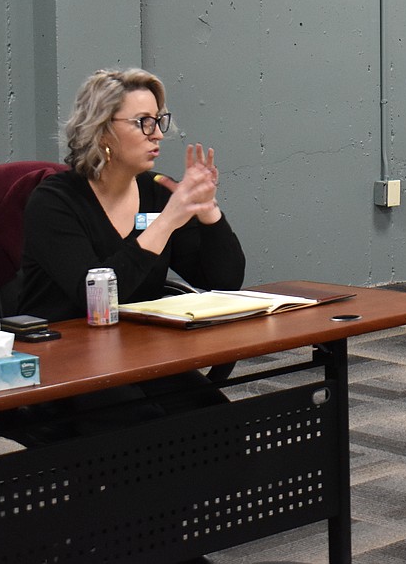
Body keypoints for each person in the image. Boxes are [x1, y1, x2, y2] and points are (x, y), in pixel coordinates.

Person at [18, 67, 246, 437]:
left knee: (218, 425)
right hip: (65, 362)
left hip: (137, 353)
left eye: (158, 121)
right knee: (147, 435)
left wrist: (208, 211)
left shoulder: (156, 193)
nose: (157, 134)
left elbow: (223, 279)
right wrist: (166, 221)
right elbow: (94, 295)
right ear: (102, 129)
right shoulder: (54, 201)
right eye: (142, 122)